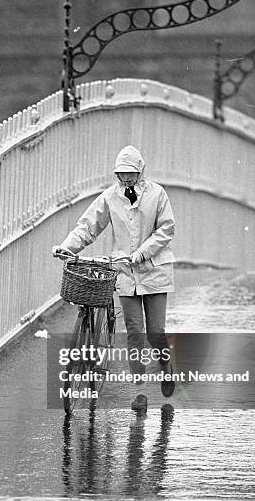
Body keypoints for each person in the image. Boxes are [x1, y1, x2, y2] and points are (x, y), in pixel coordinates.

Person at [52, 145, 176, 412]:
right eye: (122, 174)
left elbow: (166, 229)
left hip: (154, 270)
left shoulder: (157, 194)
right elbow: (88, 225)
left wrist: (142, 254)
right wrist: (67, 247)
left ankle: (167, 367)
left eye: (131, 174)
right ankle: (140, 392)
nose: (127, 179)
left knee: (156, 332)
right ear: (116, 174)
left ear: (140, 171)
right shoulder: (110, 197)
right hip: (125, 272)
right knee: (134, 331)